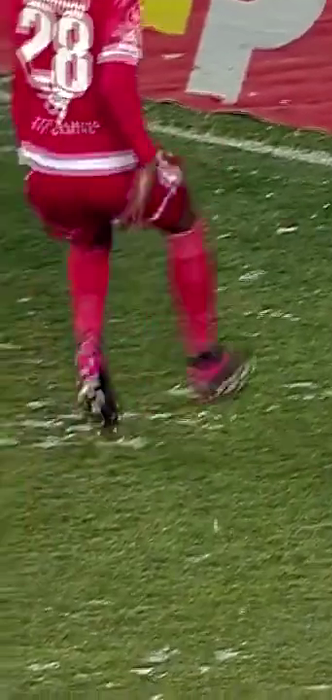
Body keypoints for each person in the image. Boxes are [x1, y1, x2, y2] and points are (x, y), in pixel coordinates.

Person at [9, 0, 251, 427]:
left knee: (88, 236)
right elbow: (113, 85)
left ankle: (88, 356)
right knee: (182, 221)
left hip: (46, 170)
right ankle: (206, 361)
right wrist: (146, 158)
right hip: (108, 169)